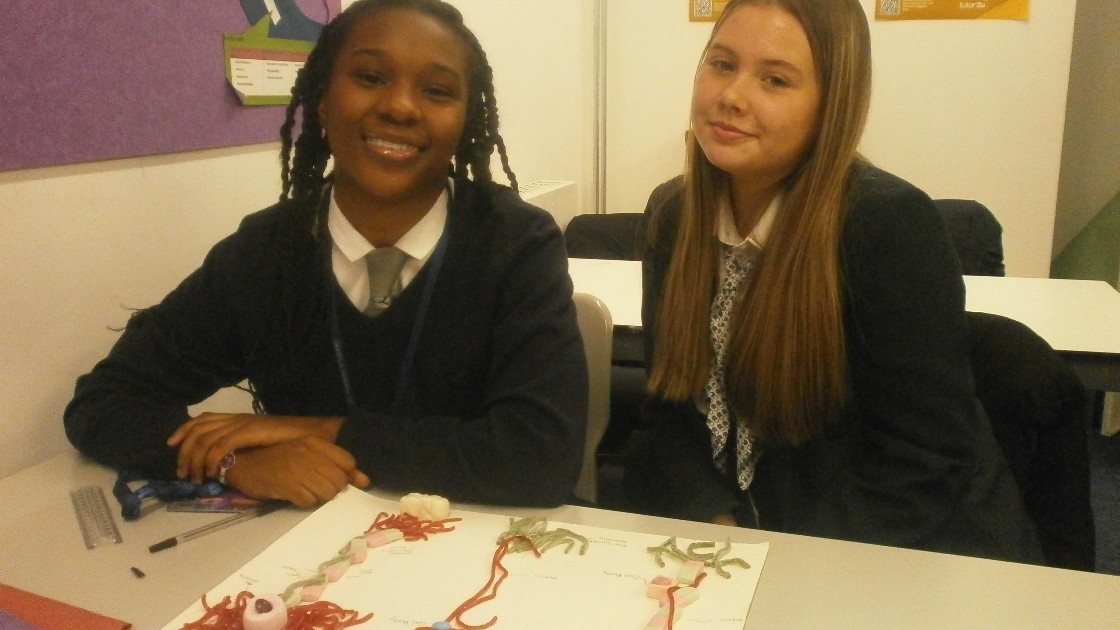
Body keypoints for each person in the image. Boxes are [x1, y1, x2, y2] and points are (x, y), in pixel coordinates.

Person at [64, 0, 588, 510]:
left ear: (466, 118)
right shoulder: (266, 253)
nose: (400, 106)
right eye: (369, 77)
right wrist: (234, 462)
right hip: (294, 558)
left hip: (483, 551)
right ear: (322, 99)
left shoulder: (516, 243)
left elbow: (538, 459)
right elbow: (104, 403)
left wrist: (314, 430)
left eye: (436, 90)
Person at [624, 0, 1042, 562]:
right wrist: (718, 526)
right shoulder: (674, 214)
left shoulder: (888, 226)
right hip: (737, 545)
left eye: (775, 79)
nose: (732, 95)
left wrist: (777, 561)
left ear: (831, 105)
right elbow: (668, 412)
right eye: (721, 64)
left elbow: (919, 464)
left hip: (897, 552)